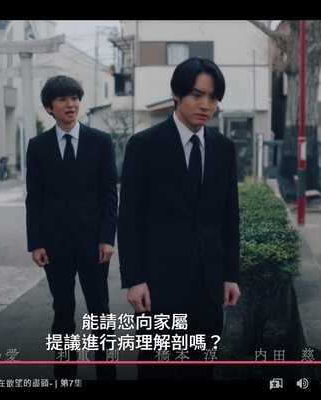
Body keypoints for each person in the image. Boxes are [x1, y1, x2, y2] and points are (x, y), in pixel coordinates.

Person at [118, 57, 241, 380]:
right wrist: (134, 279)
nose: (206, 105)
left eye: (213, 98)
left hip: (208, 286)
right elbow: (129, 218)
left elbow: (229, 218)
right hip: (157, 286)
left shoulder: (224, 149)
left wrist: (230, 275)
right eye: (197, 95)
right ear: (177, 94)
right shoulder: (144, 146)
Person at [25, 75, 118, 380]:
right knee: (63, 310)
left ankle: (107, 375)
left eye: (75, 98)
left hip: (94, 243)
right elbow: (34, 198)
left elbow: (109, 194)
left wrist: (107, 238)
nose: (71, 104)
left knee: (100, 312)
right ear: (49, 107)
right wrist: (36, 243)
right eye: (63, 99)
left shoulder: (100, 142)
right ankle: (64, 376)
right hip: (55, 244)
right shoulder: (37, 146)